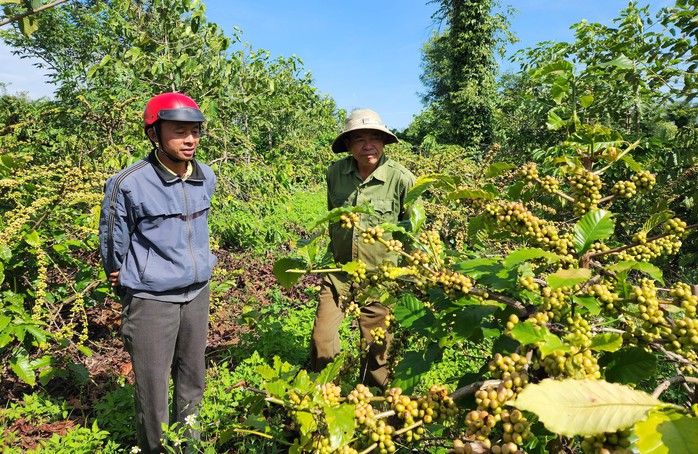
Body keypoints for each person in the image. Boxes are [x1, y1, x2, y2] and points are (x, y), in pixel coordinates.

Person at [99, 93, 217, 453]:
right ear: (154, 134)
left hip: (197, 293)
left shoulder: (206, 176)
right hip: (152, 299)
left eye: (195, 131)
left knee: (192, 379)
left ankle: (190, 446)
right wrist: (123, 274)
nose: (190, 140)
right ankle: (157, 449)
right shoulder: (129, 183)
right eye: (179, 131)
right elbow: (112, 240)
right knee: (152, 390)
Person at [310, 108, 416, 390]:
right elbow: (334, 215)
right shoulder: (336, 173)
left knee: (378, 354)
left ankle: (379, 411)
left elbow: (414, 231)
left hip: (380, 280)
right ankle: (323, 397)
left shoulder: (401, 179)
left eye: (375, 139)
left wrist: (411, 276)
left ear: (384, 142)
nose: (368, 146)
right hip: (339, 274)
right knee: (322, 341)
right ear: (348, 145)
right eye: (359, 140)